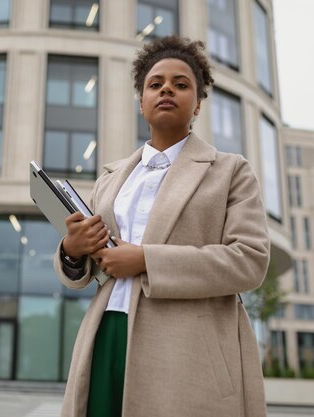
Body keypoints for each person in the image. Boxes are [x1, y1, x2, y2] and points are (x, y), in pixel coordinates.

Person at [54, 36, 270, 417]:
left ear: (198, 104)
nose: (166, 89)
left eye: (181, 84)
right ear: (141, 103)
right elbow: (91, 268)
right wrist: (73, 249)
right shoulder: (111, 177)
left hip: (188, 351)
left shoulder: (230, 171)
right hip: (105, 334)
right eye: (155, 84)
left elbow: (249, 260)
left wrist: (147, 260)